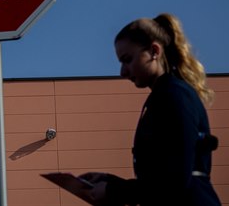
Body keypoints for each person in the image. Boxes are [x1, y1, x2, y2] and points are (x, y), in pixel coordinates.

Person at [79, 13, 221, 206]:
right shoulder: (165, 96)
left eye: (127, 60)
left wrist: (113, 190)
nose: (122, 72)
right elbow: (163, 181)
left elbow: (174, 182)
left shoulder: (174, 95)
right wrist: (110, 182)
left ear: (154, 51)